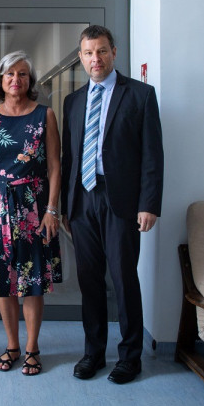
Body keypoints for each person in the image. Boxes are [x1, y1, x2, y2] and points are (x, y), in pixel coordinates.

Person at [61, 25, 163, 384]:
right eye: (89, 53)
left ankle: (130, 357)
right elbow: (69, 157)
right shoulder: (73, 101)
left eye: (102, 51)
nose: (96, 59)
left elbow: (152, 155)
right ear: (81, 57)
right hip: (82, 200)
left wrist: (149, 204)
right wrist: (66, 207)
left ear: (114, 53)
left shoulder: (140, 95)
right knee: (89, 281)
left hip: (121, 200)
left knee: (123, 279)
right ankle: (93, 353)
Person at [0, 51, 61, 376]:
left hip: (34, 208)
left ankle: (32, 348)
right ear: (0, 79)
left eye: (22, 74)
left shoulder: (44, 115)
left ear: (30, 80)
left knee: (33, 280)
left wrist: (52, 210)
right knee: (4, 281)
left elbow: (55, 166)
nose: (16, 79)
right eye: (10, 73)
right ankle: (12, 345)